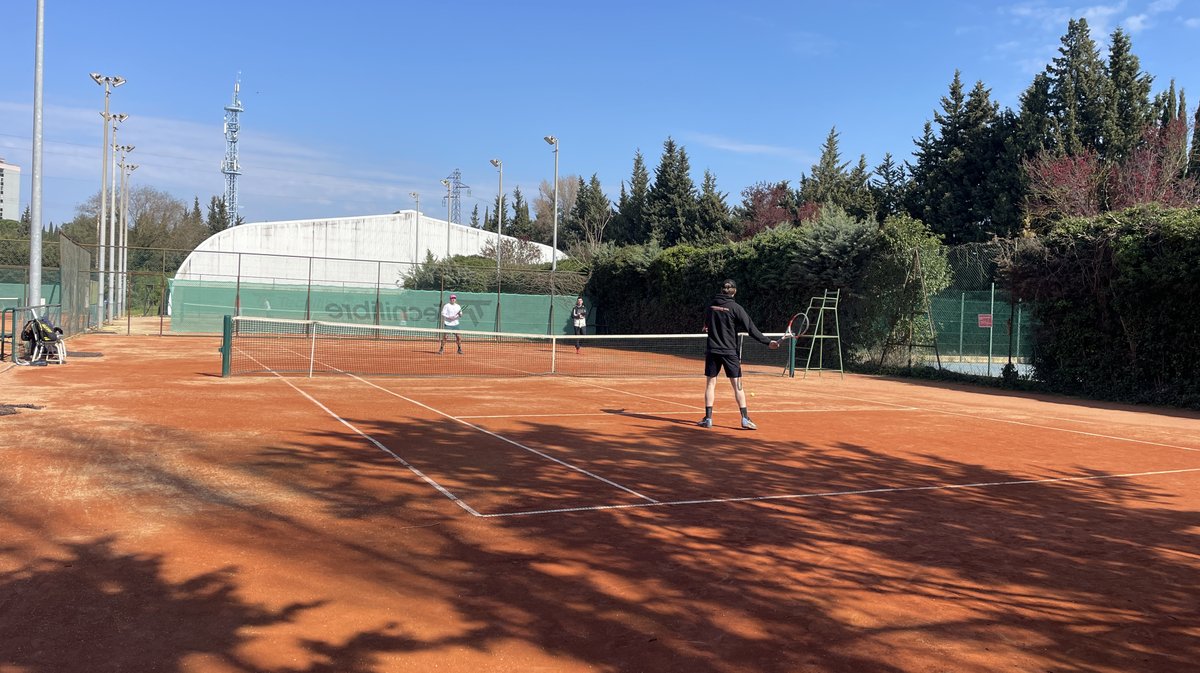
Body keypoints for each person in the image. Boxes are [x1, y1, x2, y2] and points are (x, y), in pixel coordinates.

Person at [697, 279, 778, 430]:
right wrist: (768, 342)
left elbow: (706, 326)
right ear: (734, 292)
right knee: (738, 386)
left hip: (712, 351)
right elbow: (751, 329)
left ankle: (708, 419)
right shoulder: (736, 308)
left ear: (721, 290)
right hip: (730, 353)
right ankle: (745, 419)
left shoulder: (710, 306)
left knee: (710, 384)